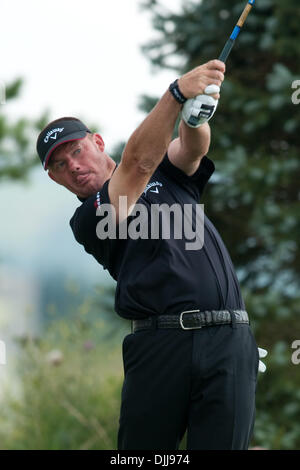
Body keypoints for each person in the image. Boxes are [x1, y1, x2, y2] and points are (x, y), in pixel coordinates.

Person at [36, 59, 260, 450]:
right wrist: (176, 94)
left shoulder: (167, 175)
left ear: (99, 143)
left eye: (76, 150)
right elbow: (138, 164)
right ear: (55, 178)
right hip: (160, 347)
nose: (72, 165)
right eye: (59, 164)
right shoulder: (90, 218)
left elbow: (189, 149)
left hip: (229, 337)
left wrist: (194, 116)